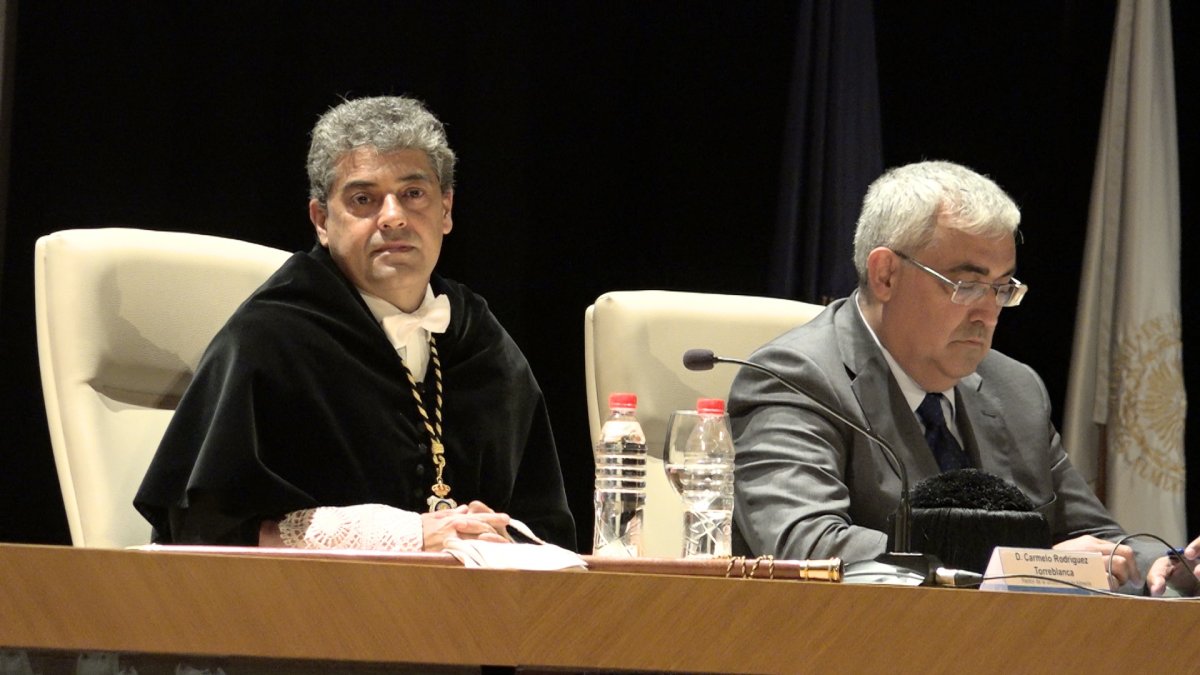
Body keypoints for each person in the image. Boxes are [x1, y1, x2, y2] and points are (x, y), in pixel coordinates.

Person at [134, 96, 575, 552]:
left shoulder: (481, 341)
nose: (393, 217)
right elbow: (204, 531)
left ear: (446, 210)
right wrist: (402, 537)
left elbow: (545, 527)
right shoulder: (270, 338)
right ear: (322, 221)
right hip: (313, 612)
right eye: (363, 199)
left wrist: (502, 537)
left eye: (413, 194)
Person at [730, 160, 1189, 594]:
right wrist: (1030, 565)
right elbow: (807, 546)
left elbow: (1099, 537)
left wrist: (1167, 563)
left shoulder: (1016, 389)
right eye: (965, 285)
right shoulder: (796, 378)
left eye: (1002, 288)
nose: (988, 312)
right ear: (886, 274)